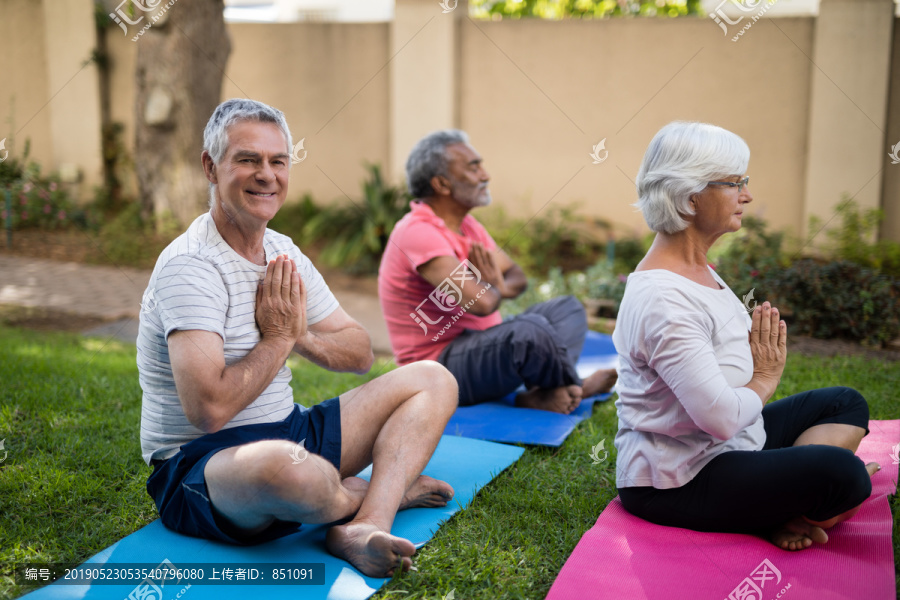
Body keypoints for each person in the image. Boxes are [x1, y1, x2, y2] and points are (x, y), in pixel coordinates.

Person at [136, 99, 458, 578]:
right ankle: (381, 489)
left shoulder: (282, 251)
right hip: (204, 463)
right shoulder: (191, 266)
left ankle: (365, 523)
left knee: (433, 379)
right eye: (248, 160)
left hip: (291, 431)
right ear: (210, 166)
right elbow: (208, 411)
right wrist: (279, 339)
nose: (266, 174)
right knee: (286, 471)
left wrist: (298, 334)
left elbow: (359, 352)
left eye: (278, 161)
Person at [613, 120, 878, 551]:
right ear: (690, 195)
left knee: (844, 402)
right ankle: (791, 506)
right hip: (678, 479)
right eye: (735, 183)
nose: (748, 196)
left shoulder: (698, 268)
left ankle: (785, 505)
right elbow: (717, 419)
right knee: (844, 475)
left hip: (736, 442)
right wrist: (765, 378)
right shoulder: (664, 298)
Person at [378, 129, 617, 414]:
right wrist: (493, 288)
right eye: (473, 167)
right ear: (442, 183)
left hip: (482, 348)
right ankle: (575, 386)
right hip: (437, 368)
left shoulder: (467, 227)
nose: (485, 175)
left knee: (567, 309)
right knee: (529, 333)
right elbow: (480, 303)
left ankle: (548, 392)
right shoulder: (417, 233)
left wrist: (496, 287)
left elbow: (516, 276)